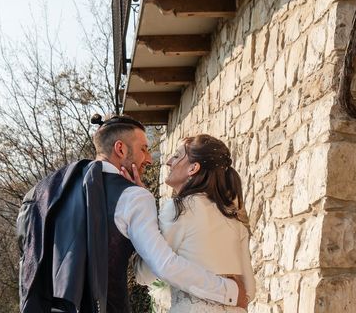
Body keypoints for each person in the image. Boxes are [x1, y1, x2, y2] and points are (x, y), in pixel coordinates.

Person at [17, 115, 247, 313]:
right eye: (144, 149)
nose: (149, 159)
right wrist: (228, 291)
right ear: (120, 149)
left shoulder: (49, 189)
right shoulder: (134, 197)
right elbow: (163, 265)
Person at [130, 134, 255, 312]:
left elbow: (145, 273)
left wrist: (143, 217)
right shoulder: (233, 216)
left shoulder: (180, 209)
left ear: (193, 168)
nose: (168, 162)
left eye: (176, 155)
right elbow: (248, 291)